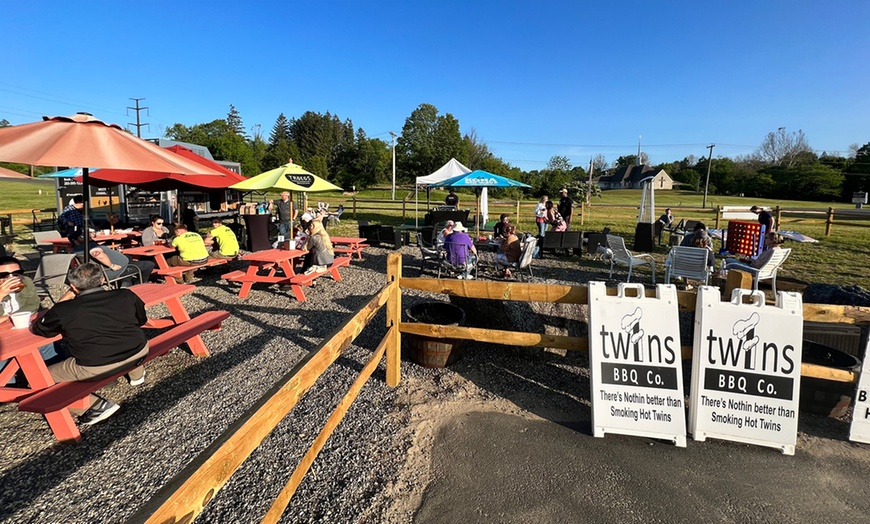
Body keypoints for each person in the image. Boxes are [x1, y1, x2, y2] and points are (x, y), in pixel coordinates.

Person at [33, 262, 149, 426]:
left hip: (96, 365)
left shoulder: (65, 310)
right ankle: (137, 376)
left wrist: (64, 299)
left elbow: (42, 329)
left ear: (73, 286)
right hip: (139, 350)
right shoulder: (125, 295)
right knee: (124, 337)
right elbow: (141, 320)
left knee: (38, 378)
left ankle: (94, 407)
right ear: (102, 280)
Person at [0, 256, 65, 385]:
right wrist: (1, 294)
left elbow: (33, 305)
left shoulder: (25, 283)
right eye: (3, 275)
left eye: (16, 273)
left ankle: (55, 376)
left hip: (20, 329)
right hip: (3, 339)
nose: (11, 278)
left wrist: (8, 317)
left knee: (44, 342)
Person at [75, 229, 155, 287]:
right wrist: (112, 265)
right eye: (82, 236)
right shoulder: (89, 246)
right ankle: (137, 284)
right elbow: (96, 254)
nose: (87, 237)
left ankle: (126, 282)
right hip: (116, 270)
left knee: (128, 257)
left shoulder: (76, 250)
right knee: (149, 264)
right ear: (75, 240)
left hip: (104, 270)